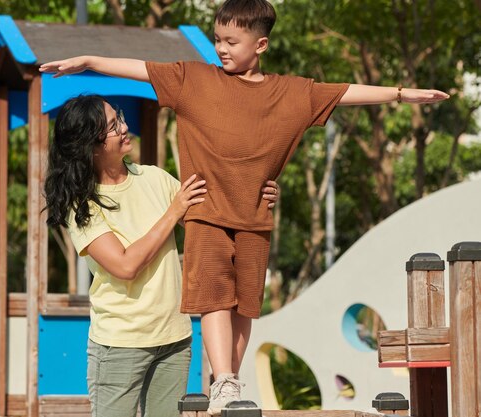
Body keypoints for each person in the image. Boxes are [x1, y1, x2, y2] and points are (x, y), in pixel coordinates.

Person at [40, 1, 449, 413]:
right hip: (207, 215)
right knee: (216, 296)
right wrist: (90, 61)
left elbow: (342, 93)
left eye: (231, 41)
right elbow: (142, 69)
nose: (220, 48)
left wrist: (400, 94)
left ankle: (229, 382)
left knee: (245, 304)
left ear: (261, 45)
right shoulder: (194, 81)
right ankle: (224, 379)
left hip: (255, 217)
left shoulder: (289, 93)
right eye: (217, 39)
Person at [43, 94, 280, 417]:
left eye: (120, 117)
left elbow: (215, 220)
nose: (125, 127)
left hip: (175, 340)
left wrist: (259, 195)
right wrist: (173, 212)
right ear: (92, 145)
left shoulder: (153, 178)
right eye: (114, 126)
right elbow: (125, 265)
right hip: (119, 345)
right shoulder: (82, 205)